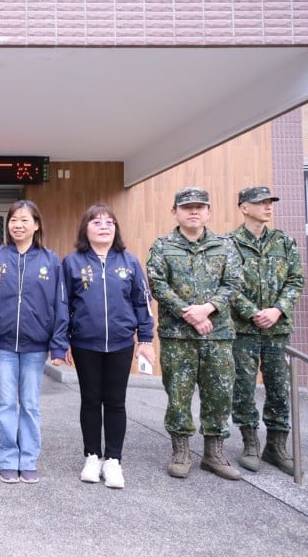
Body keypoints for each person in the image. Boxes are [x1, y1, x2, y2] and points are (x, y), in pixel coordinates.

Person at [146, 187, 243, 481]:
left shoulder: (225, 246)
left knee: (220, 394)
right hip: (179, 336)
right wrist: (190, 313)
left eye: (200, 207)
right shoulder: (162, 246)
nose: (194, 211)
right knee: (178, 394)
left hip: (217, 334)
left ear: (209, 212)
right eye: (187, 207)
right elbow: (158, 284)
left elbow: (234, 283)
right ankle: (181, 451)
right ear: (174, 212)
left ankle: (214, 454)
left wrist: (208, 308)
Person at [0, 200, 68, 485]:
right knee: (5, 404)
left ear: (36, 225)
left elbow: (60, 303)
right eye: (14, 219)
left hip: (36, 346)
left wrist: (59, 343)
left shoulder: (51, 260)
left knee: (29, 404)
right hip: (1, 345)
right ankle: (6, 459)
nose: (18, 224)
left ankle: (27, 459)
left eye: (25, 220)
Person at [62, 204, 155, 489]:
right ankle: (92, 456)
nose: (104, 226)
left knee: (115, 402)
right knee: (90, 400)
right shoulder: (72, 262)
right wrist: (62, 339)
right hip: (84, 343)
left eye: (109, 222)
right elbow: (62, 304)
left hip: (121, 343)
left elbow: (143, 301)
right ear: (85, 229)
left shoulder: (129, 262)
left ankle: (113, 459)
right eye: (96, 222)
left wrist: (146, 339)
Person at [228, 186, 304, 475]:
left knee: (279, 389)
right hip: (244, 330)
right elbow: (228, 283)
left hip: (277, 329)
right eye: (261, 202)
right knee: (244, 388)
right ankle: (250, 444)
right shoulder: (230, 243)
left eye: (270, 202)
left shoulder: (283, 241)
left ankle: (276, 446)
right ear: (244, 207)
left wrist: (277, 309)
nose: (268, 207)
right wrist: (252, 312)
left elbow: (296, 280)